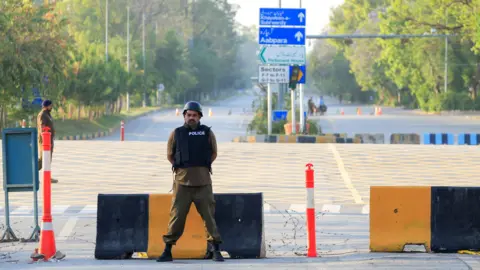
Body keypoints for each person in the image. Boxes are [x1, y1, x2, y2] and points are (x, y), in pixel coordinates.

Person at [157, 101, 224, 263]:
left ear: (200, 117)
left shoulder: (207, 133)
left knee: (209, 216)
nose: (191, 118)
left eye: (194, 115)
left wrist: (200, 167)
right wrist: (183, 169)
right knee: (177, 217)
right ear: (184, 116)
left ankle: (215, 250)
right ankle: (167, 250)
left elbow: (213, 153)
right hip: (182, 184)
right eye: (188, 115)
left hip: (203, 183)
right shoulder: (176, 133)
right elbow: (170, 155)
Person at [37, 100, 58, 183]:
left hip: (49, 141)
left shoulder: (47, 114)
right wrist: (45, 138)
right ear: (46, 106)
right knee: (43, 160)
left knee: (48, 159)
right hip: (44, 141)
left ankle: (48, 177)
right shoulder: (43, 115)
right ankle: (31, 175)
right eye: (50, 106)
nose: (51, 107)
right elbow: (43, 127)